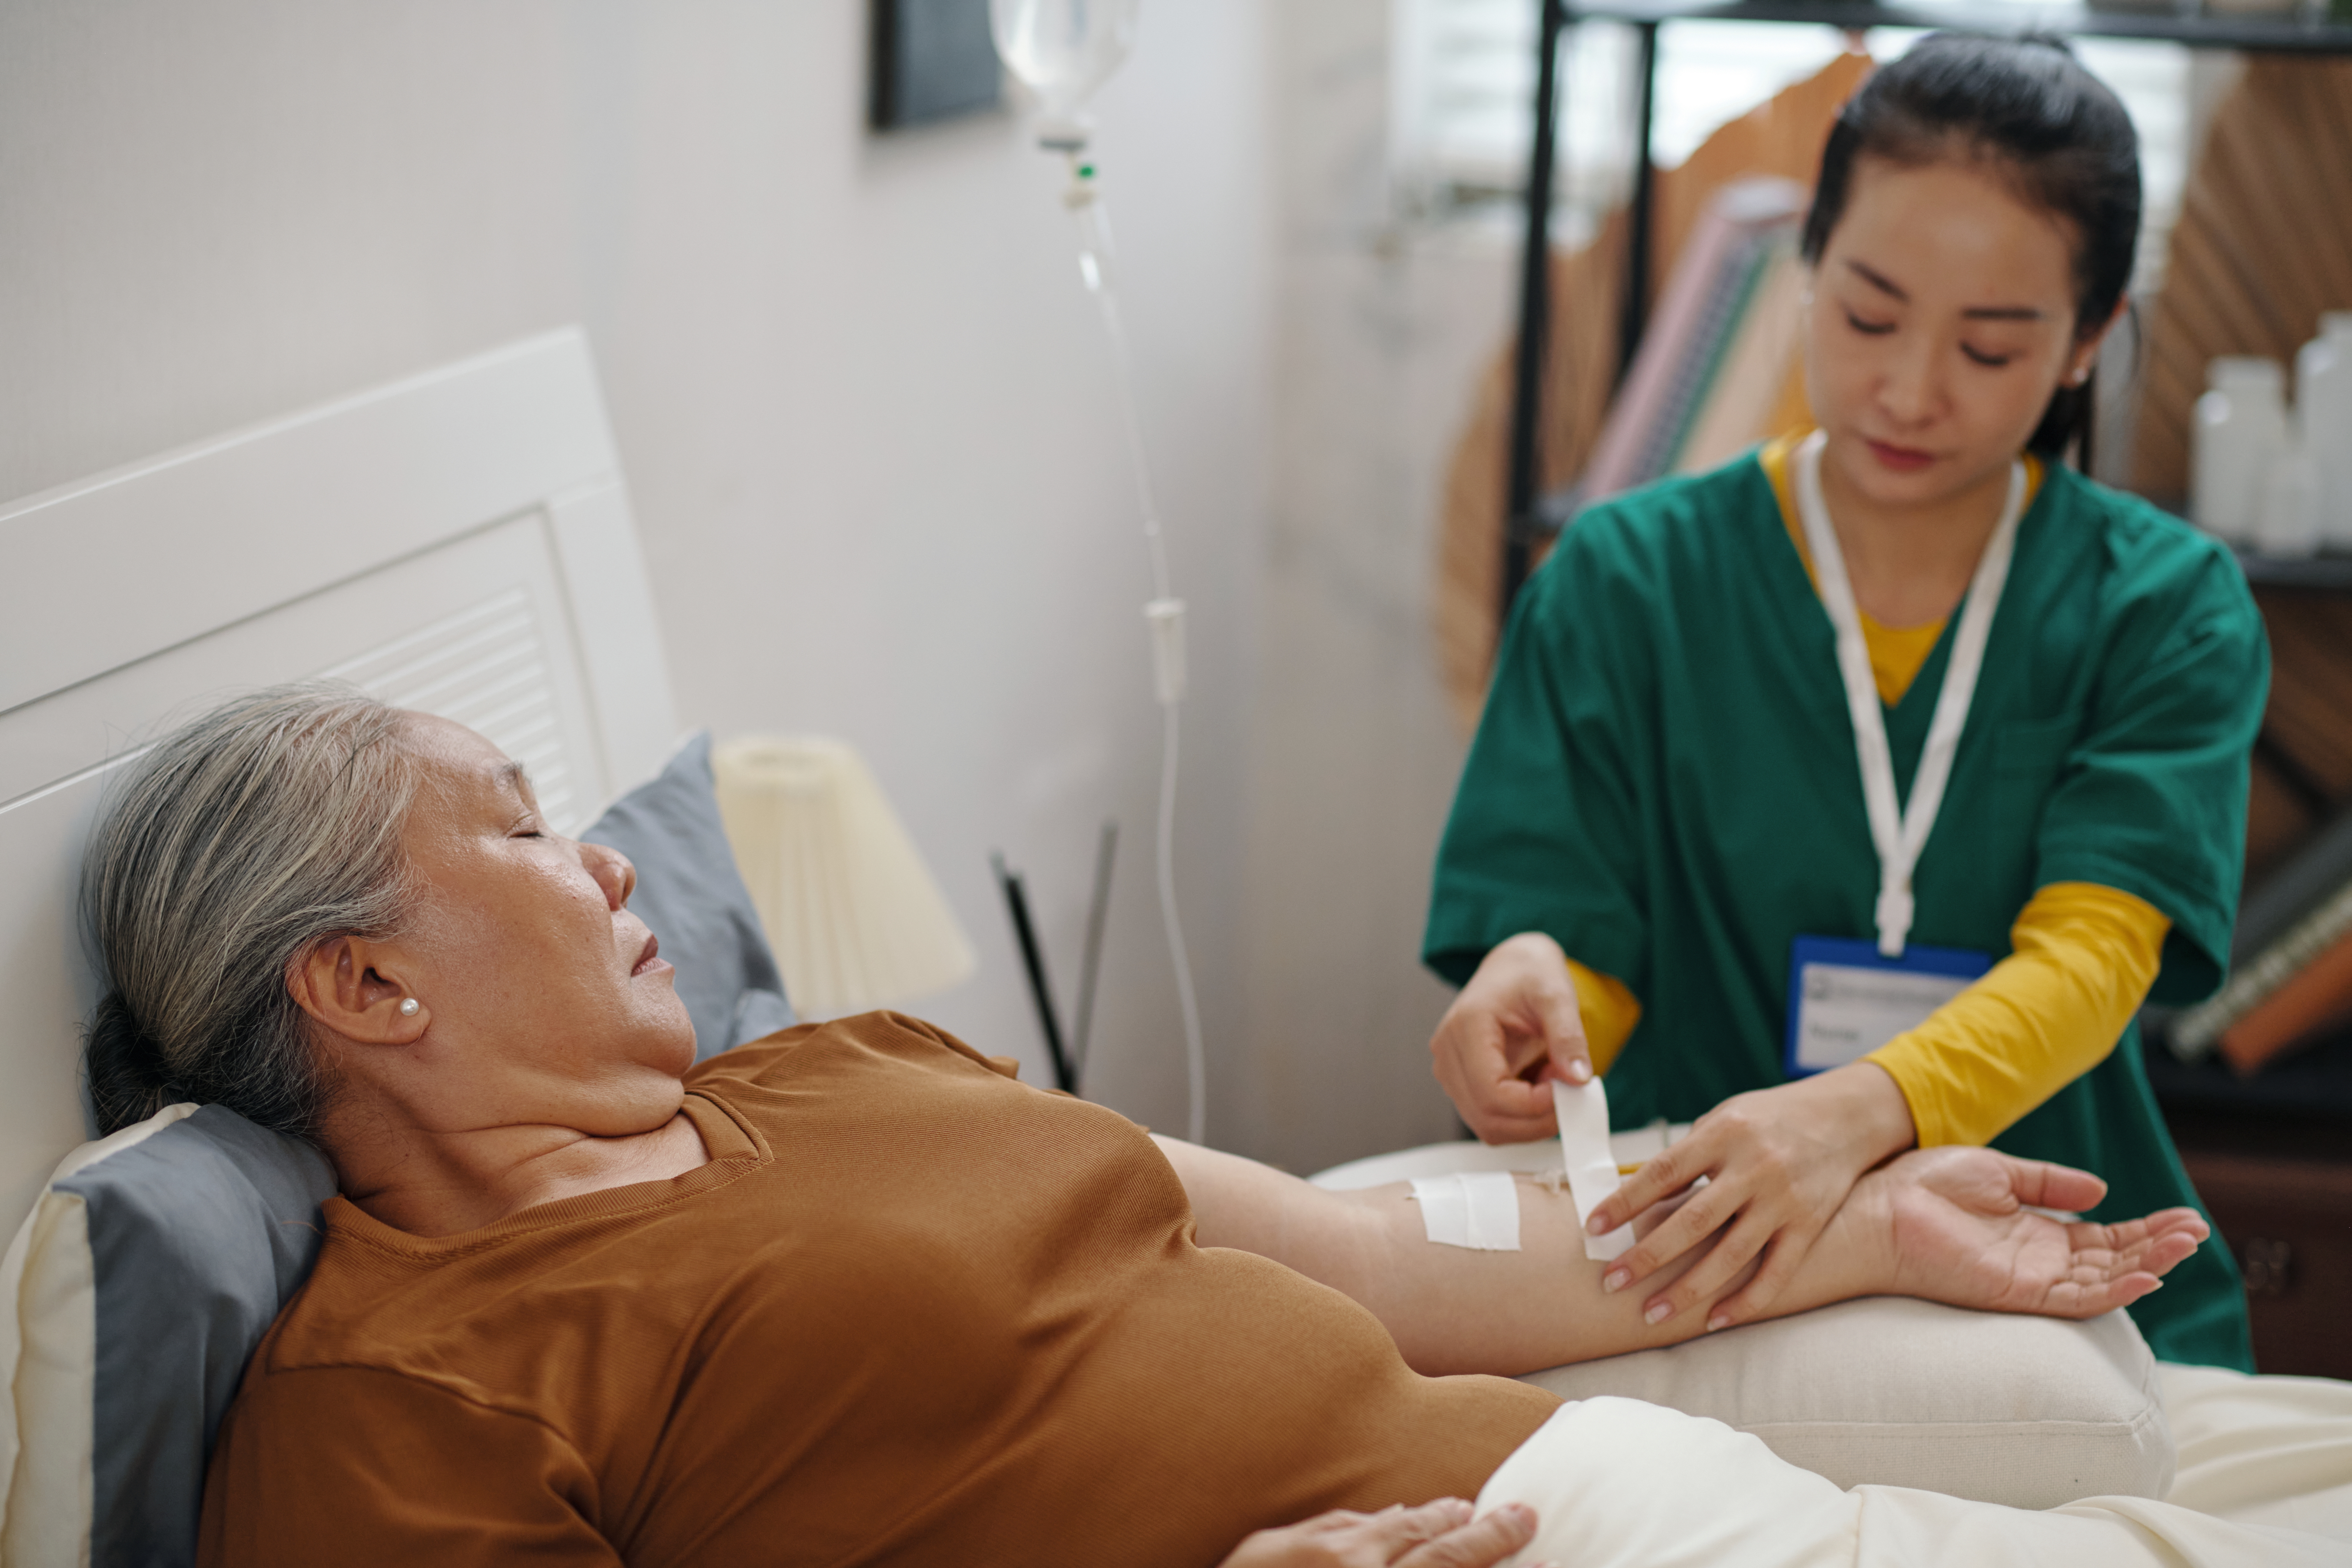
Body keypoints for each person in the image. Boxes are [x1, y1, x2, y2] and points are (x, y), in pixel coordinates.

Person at [80, 688, 2204, 1567]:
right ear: (366, 989)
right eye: (533, 838)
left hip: (1602, 1496)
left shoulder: (839, 1069)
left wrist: (1859, 1226)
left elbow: (1379, 1260)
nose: (618, 870)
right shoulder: (395, 1392)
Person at [1424, 33, 2263, 1370]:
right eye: (1870, 314)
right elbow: (1580, 933)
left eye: (1991, 347)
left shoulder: (2161, 605)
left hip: (2059, 1265)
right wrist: (1540, 994)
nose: (1911, 390)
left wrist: (1847, 1117)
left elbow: (2097, 960)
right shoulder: (1623, 578)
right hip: (1694, 1250)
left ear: (2088, 340)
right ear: (1809, 262)